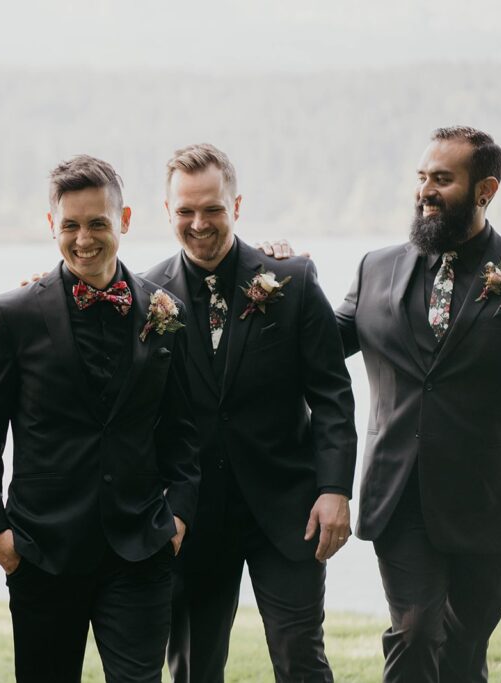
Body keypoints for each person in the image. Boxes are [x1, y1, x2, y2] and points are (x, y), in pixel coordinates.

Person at [0, 155, 199, 682]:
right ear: (52, 226)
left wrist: (176, 519)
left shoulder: (165, 312)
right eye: (70, 224)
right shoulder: (13, 315)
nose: (83, 238)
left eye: (97, 223)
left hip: (140, 549)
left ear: (126, 220)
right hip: (42, 552)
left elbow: (185, 431)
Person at [142, 144, 356, 682]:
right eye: (185, 211)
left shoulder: (293, 280)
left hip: (287, 510)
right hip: (190, 516)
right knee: (192, 667)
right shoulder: (144, 296)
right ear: (166, 211)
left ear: (236, 205)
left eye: (212, 209)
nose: (198, 223)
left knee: (300, 656)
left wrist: (335, 489)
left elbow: (331, 393)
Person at [335, 126, 501, 682]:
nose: (425, 190)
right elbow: (317, 348)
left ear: (486, 190)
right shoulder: (374, 268)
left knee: (463, 651)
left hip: (488, 500)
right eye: (421, 177)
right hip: (400, 494)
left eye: (442, 179)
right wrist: (273, 279)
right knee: (413, 631)